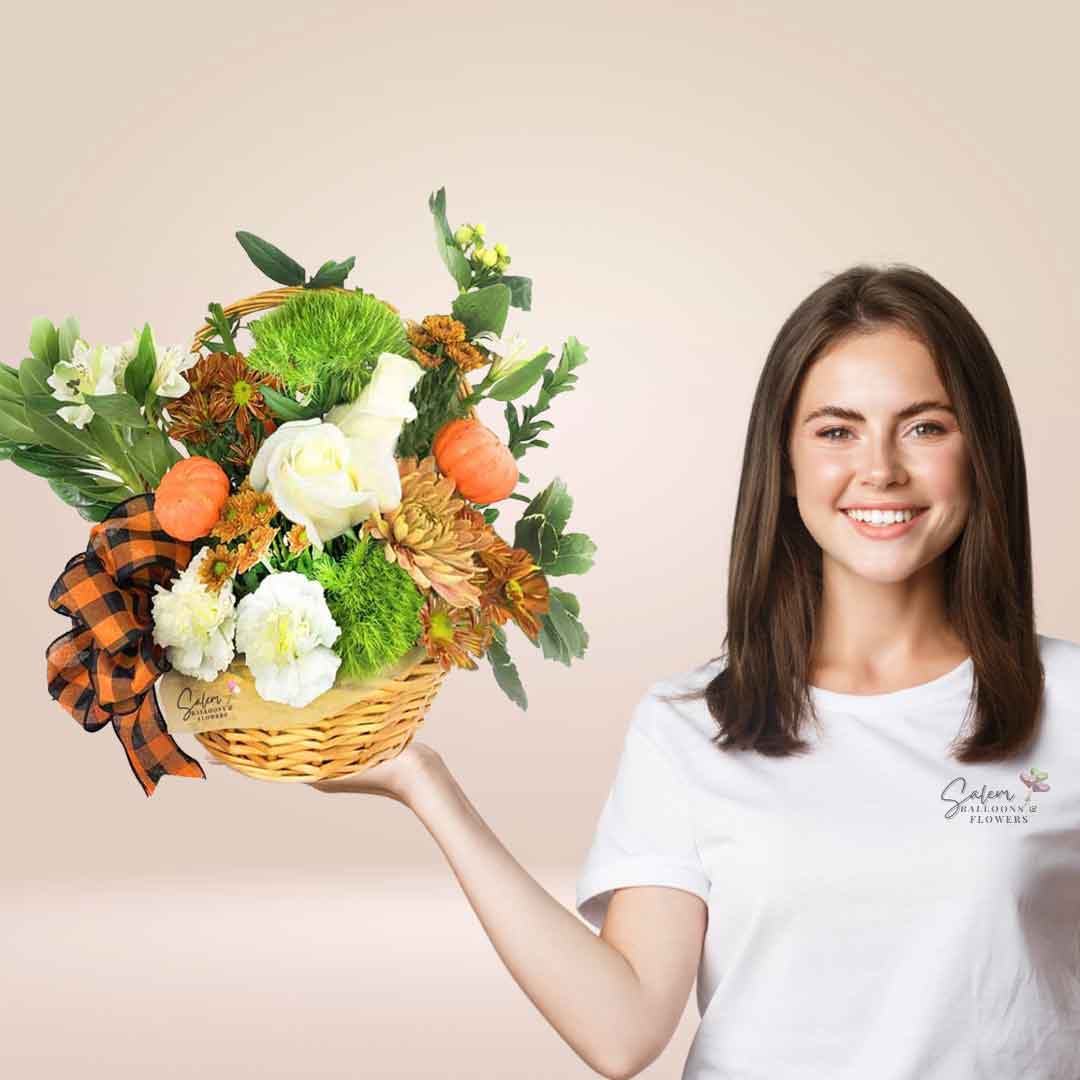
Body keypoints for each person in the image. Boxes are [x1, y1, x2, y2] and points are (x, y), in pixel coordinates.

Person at [305, 264, 1080, 1079]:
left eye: (925, 427)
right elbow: (624, 1028)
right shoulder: (690, 724)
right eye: (836, 431)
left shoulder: (1069, 704)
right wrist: (426, 785)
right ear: (783, 462)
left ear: (981, 448)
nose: (880, 469)